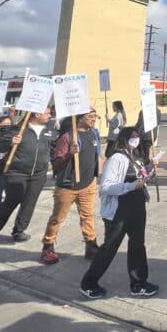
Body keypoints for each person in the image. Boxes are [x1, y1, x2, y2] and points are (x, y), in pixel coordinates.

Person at [80, 127, 159, 299]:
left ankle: (138, 284)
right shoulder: (117, 158)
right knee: (110, 247)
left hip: (137, 207)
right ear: (124, 138)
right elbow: (106, 186)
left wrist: (151, 168)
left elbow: (141, 177)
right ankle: (88, 283)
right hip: (119, 211)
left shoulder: (135, 157)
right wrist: (131, 186)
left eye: (138, 136)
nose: (136, 139)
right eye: (133, 136)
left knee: (138, 245)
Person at [40, 107, 101, 264]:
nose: (94, 119)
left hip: (88, 184)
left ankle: (91, 246)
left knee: (87, 216)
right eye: (90, 116)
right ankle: (48, 247)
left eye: (95, 116)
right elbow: (56, 164)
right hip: (67, 187)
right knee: (57, 218)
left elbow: (96, 156)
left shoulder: (94, 134)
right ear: (80, 118)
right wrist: (69, 154)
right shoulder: (68, 137)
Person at [0, 107, 57, 244]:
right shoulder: (16, 130)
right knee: (11, 201)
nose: (50, 115)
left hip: (39, 174)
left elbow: (54, 148)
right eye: (47, 113)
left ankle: (19, 231)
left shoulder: (50, 130)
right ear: (37, 114)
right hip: (17, 173)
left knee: (29, 203)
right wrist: (10, 142)